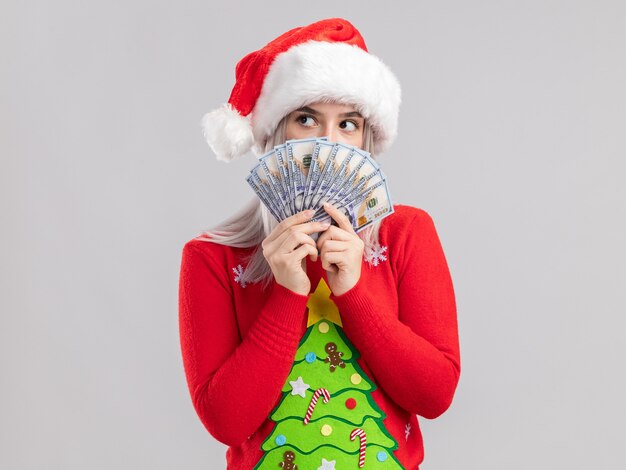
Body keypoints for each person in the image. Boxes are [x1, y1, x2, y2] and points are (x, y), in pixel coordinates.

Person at [178, 18, 460, 469]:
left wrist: (353, 292)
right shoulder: (212, 256)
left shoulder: (404, 233)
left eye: (347, 123)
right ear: (273, 134)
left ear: (365, 139)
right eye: (306, 119)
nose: (329, 142)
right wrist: (289, 294)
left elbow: (434, 394)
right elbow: (226, 423)